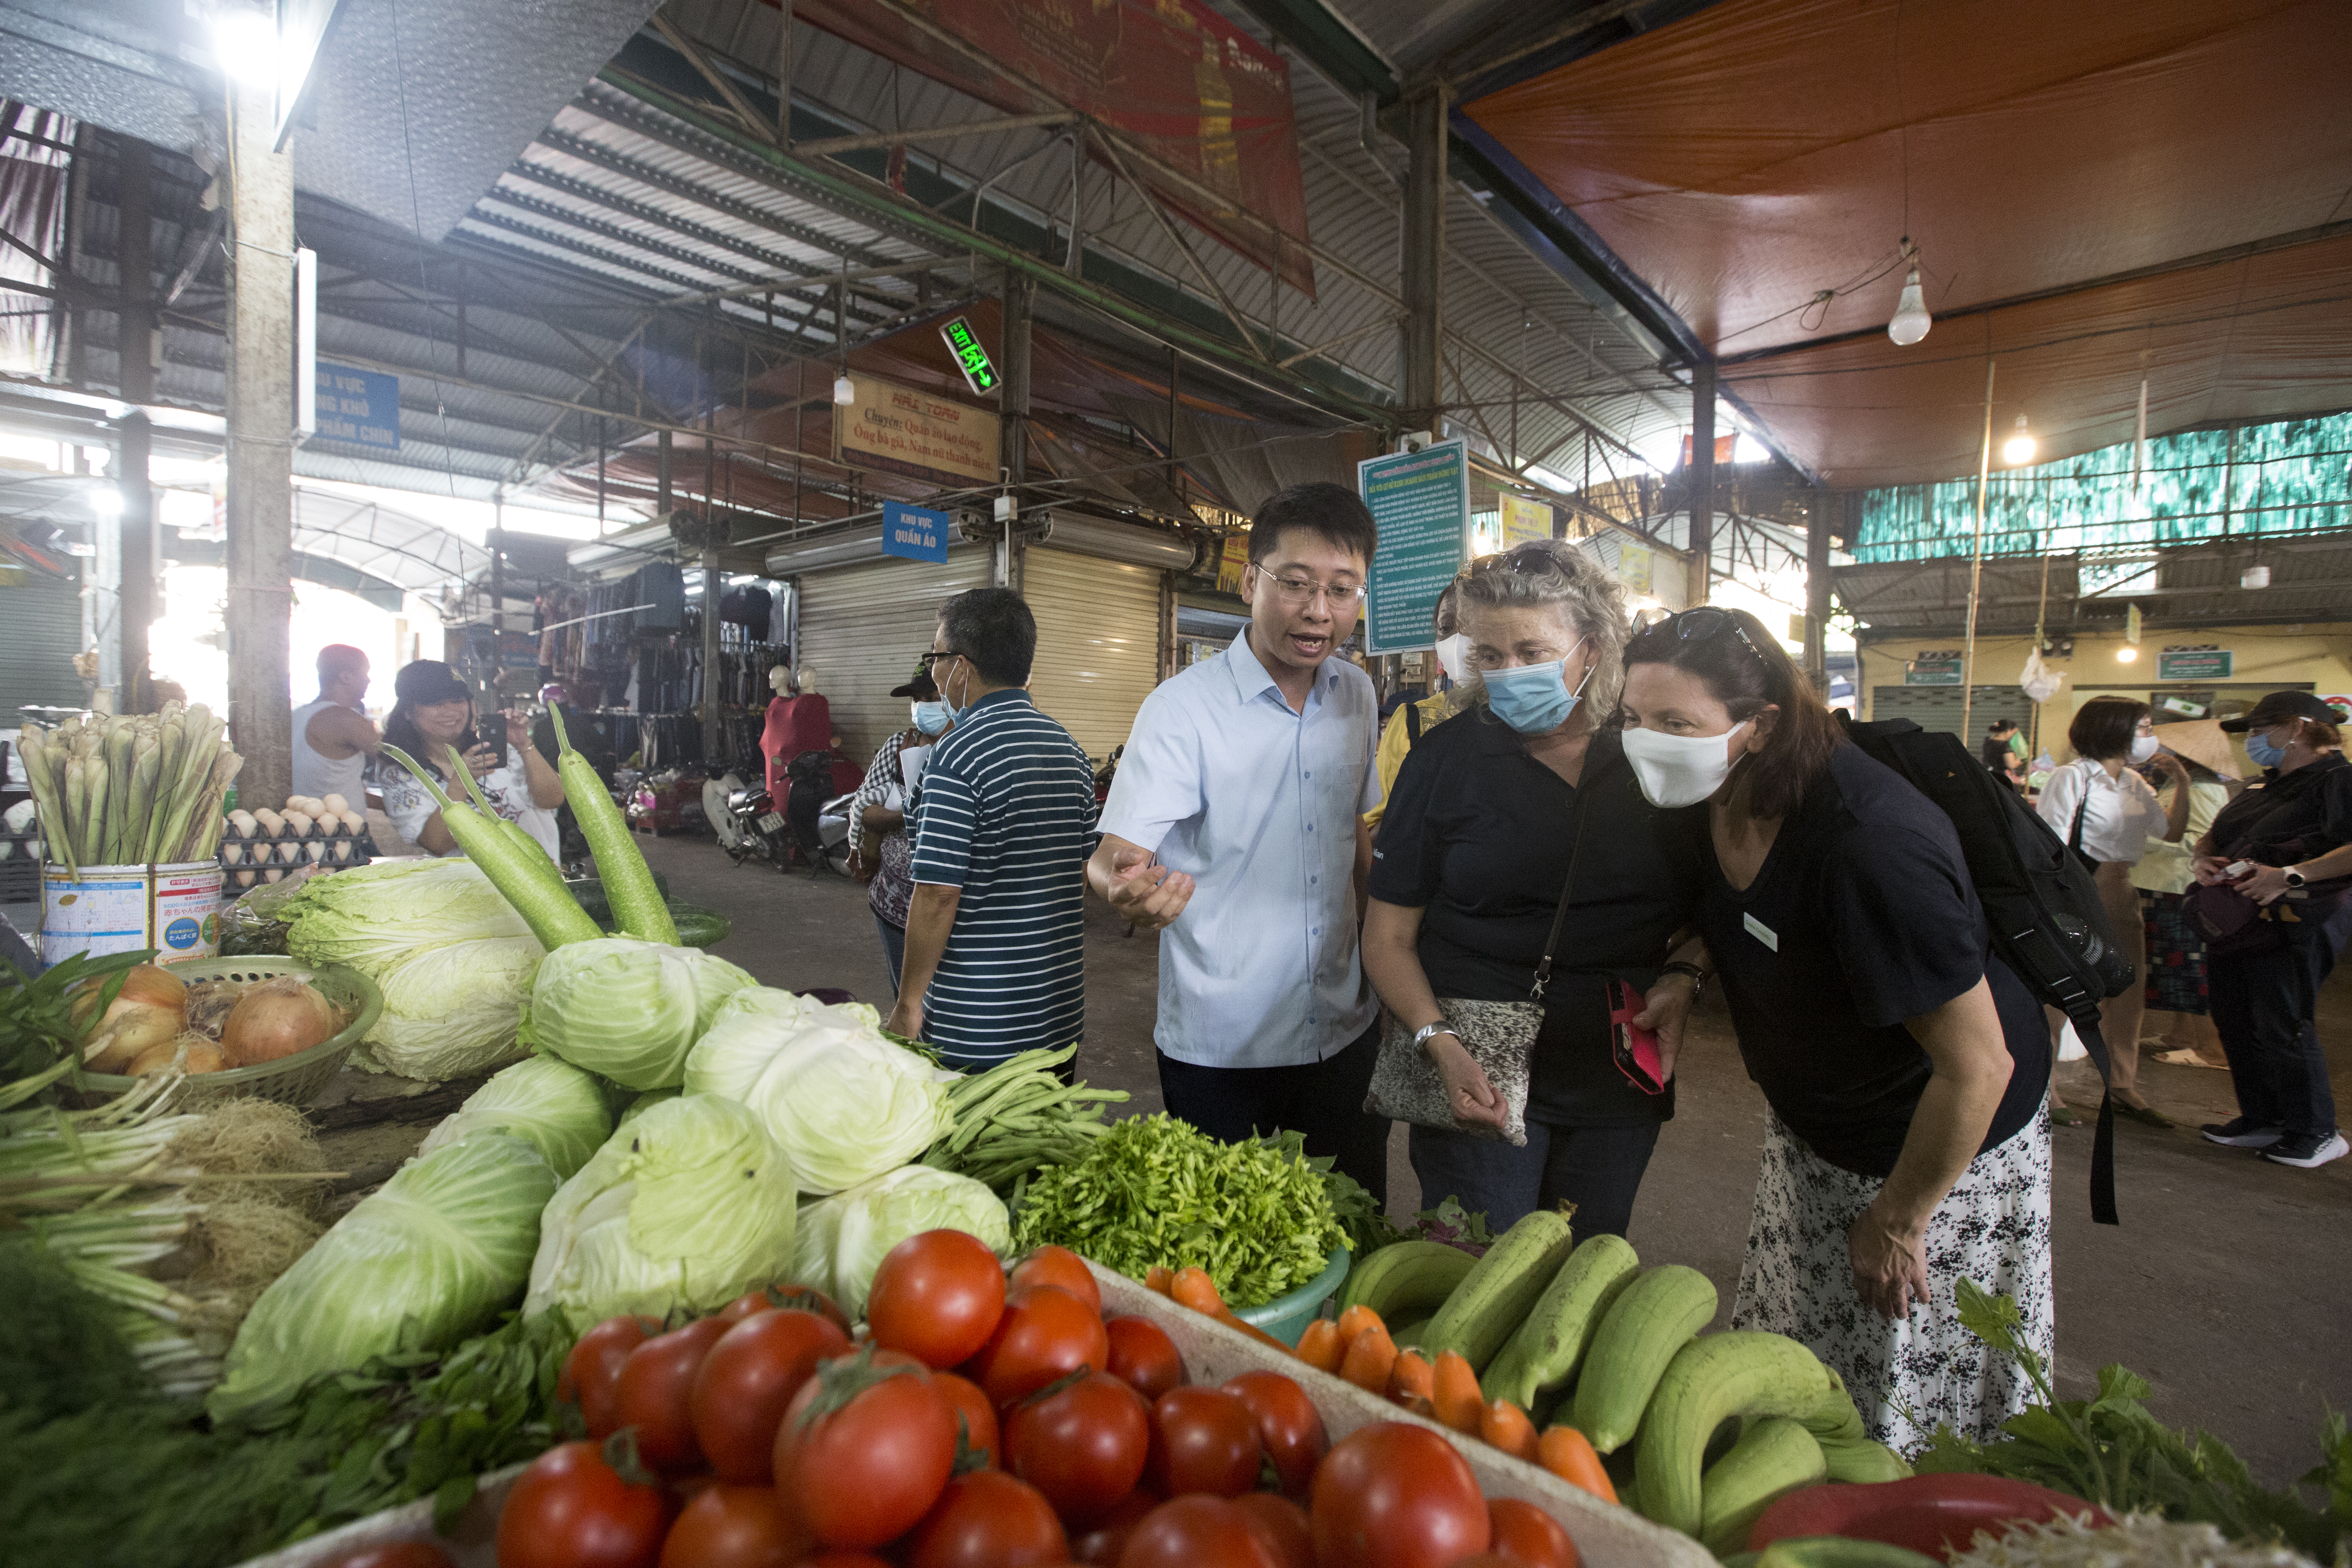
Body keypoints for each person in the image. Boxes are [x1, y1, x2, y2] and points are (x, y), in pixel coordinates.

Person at [1617, 605, 2054, 1449]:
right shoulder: (1708, 794)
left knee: (1902, 1376)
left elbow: (1978, 1066)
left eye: (1676, 723)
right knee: (1803, 1344)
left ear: (1761, 724)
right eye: (1634, 719)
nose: (1646, 742)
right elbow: (1742, 911)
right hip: (1820, 1132)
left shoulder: (1869, 840)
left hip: (1934, 1148)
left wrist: (1900, 1219)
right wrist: (1685, 974)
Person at [1361, 542, 1706, 1237]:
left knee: (1582, 1276)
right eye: (1488, 655)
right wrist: (1439, 1042)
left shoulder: (1652, 755)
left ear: (1594, 646)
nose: (1507, 673)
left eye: (1530, 650)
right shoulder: (1445, 760)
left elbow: (1712, 906)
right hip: (1473, 1066)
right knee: (1473, 1275)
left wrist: (1684, 976)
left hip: (1615, 1073)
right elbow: (1388, 936)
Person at [1088, 481, 1390, 1201]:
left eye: (1343, 590)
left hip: (1347, 1030)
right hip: (1226, 1047)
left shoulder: (1356, 694)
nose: (1320, 611)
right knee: (1236, 1253)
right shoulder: (1182, 710)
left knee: (1353, 1226)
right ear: (1251, 580)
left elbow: (1355, 836)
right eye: (1297, 584)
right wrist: (1123, 892)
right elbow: (1111, 859)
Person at [888, 589, 1097, 1071]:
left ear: (961, 666)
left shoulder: (956, 756)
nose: (934, 674)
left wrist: (908, 1005)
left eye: (936, 659)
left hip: (978, 1030)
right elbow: (1079, 876)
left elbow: (939, 893)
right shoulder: (1069, 749)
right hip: (1057, 1022)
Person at [2195, 691, 2352, 1170]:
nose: (2255, 741)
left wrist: (2289, 876)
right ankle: (2263, 1117)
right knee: (2236, 1016)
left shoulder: (2338, 779)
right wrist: (2204, 858)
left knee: (2285, 1021)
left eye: (2262, 730)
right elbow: (2215, 833)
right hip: (2240, 919)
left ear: (2299, 727)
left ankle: (2317, 1131)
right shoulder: (2262, 787)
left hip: (2296, 916)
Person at [2035, 697, 2188, 1127]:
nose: (2149, 736)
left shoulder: (2136, 784)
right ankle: (2046, 1088)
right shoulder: (2072, 778)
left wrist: (2183, 782)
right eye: (2143, 728)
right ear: (2114, 730)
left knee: (2126, 993)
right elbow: (2051, 845)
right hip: (2081, 892)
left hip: (2125, 891)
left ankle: (2122, 1085)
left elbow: (2171, 833)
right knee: (2062, 994)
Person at [2130, 722, 2241, 1070]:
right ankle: (2181, 1036)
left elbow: (2200, 843)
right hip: (2161, 884)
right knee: (2171, 967)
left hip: (2176, 887)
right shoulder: (2180, 784)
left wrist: (2137, 839)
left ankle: (2212, 1050)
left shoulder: (2204, 789)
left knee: (2189, 969)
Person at [373, 660, 566, 860]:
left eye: (458, 700)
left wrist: (524, 744)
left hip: (542, 880)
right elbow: (437, 844)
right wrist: (461, 781)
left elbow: (552, 800)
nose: (450, 710)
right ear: (407, 711)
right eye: (435, 703)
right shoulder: (400, 774)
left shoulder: (500, 751)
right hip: (471, 887)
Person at [851, 659, 955, 991]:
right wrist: (906, 813)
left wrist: (905, 810)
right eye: (916, 699)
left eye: (932, 696)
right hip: (893, 903)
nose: (923, 706)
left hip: (947, 909)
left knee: (941, 998)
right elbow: (864, 809)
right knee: (905, 995)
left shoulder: (964, 751)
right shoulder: (897, 745)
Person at [1365, 580, 1467, 835]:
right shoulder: (1415, 720)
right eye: (1446, 628)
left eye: (1474, 627)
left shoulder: (1533, 720)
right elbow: (1373, 827)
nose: (1458, 640)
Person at [292, 645, 381, 804]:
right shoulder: (346, 719)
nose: (369, 680)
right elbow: (399, 757)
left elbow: (331, 786)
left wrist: (384, 806)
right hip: (339, 827)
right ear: (346, 677)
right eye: (365, 674)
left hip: (305, 820)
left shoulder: (298, 715)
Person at [1980, 719, 2025, 793]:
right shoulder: (2004, 745)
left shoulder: (1987, 741)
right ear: (2009, 730)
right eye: (2014, 733)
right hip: (2001, 778)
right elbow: (2011, 764)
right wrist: (2020, 761)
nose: (2012, 736)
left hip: (1986, 775)